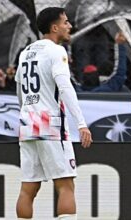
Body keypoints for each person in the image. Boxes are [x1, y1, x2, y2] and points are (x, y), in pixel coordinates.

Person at [15, 7, 92, 220]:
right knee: (66, 184)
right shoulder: (56, 51)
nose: (70, 26)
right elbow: (65, 87)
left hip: (28, 121)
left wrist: (27, 112)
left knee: (28, 187)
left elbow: (20, 89)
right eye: (66, 22)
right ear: (54, 27)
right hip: (50, 122)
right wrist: (81, 123)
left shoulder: (25, 52)